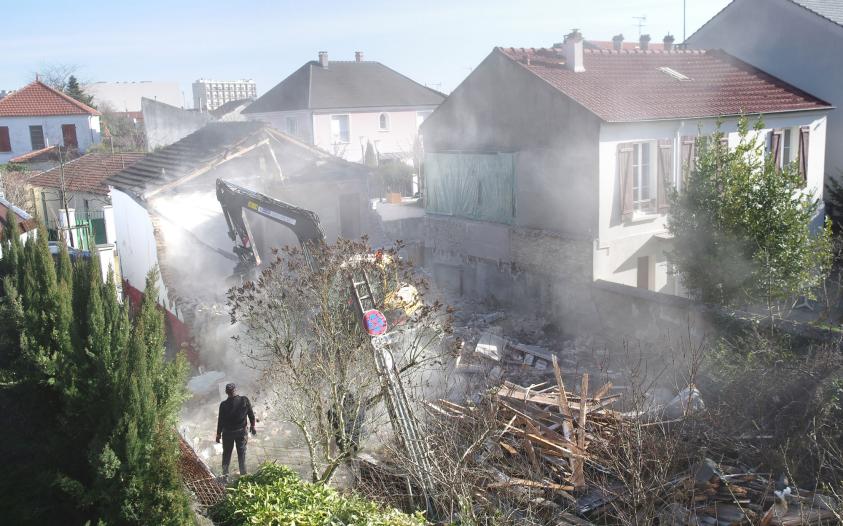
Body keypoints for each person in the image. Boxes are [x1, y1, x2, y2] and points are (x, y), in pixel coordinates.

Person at [216, 383, 256, 478]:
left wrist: (218, 435)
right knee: (241, 454)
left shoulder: (223, 405)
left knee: (226, 455)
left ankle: (225, 476)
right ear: (236, 390)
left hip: (227, 434)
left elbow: (220, 421)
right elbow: (251, 415)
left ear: (226, 392)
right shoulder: (244, 400)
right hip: (241, 433)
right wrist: (253, 426)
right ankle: (243, 475)